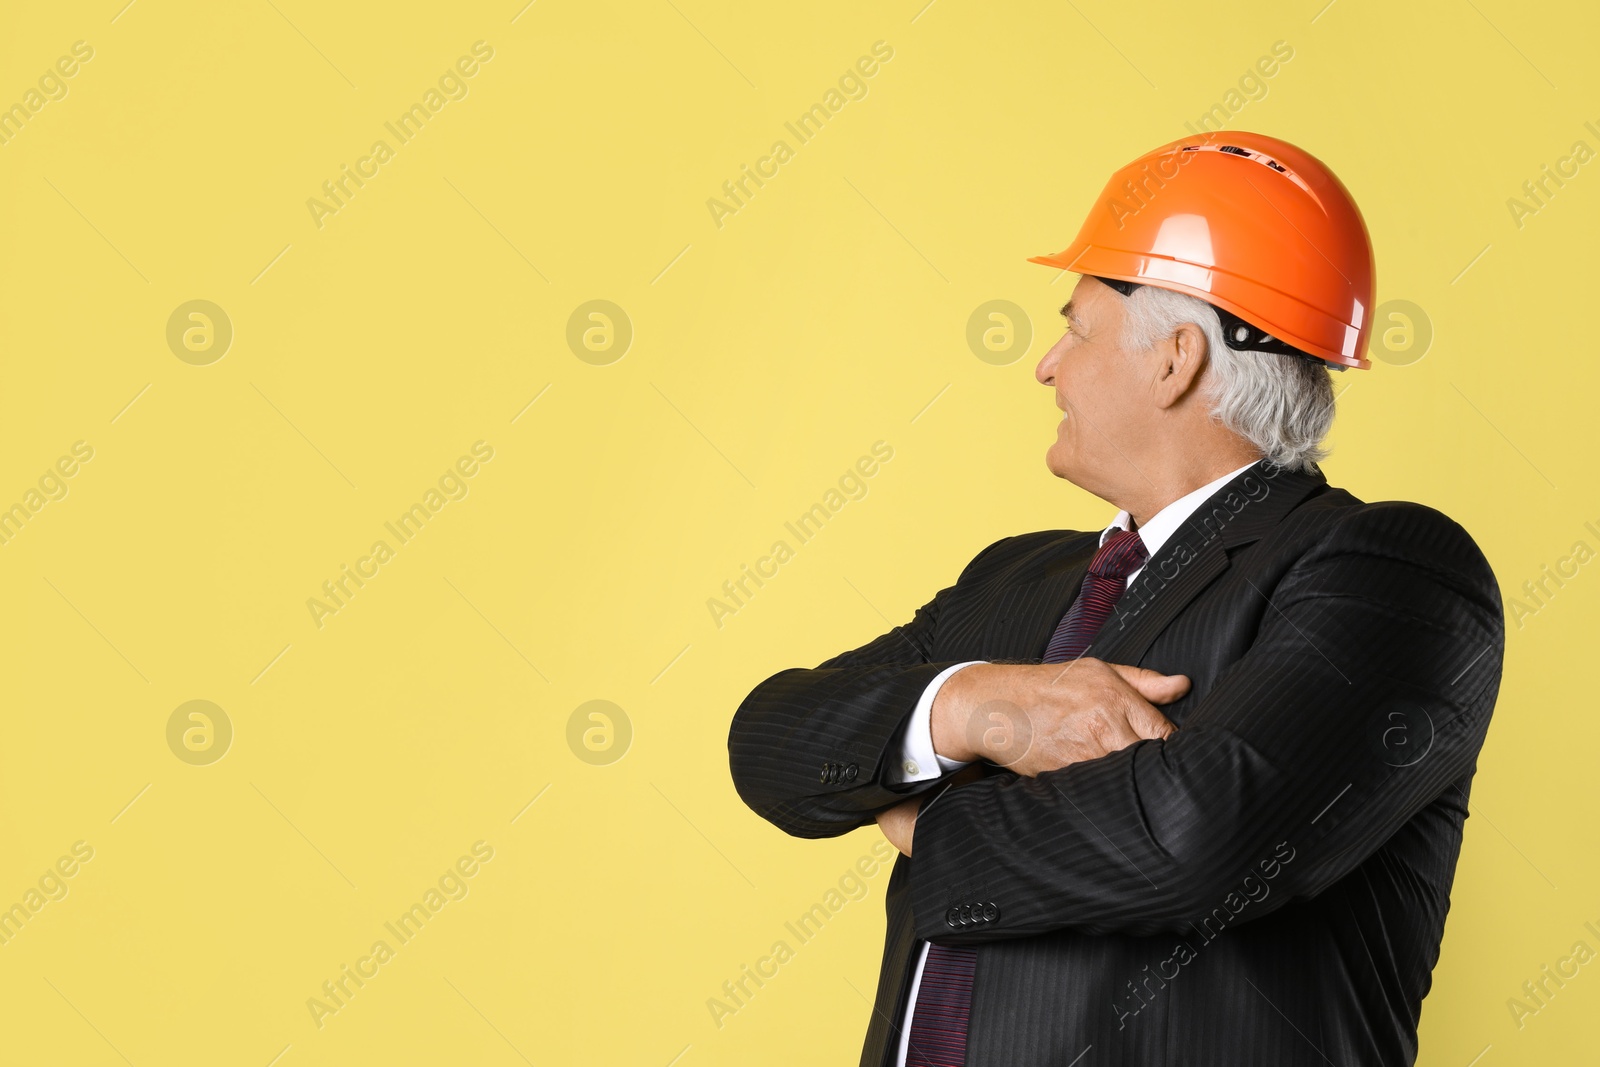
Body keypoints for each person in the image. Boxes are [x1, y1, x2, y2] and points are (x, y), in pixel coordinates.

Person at [726, 132, 1505, 1066]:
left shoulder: (1390, 570)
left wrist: (927, 818)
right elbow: (770, 740)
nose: (1046, 366)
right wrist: (973, 705)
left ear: (1176, 359)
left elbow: (1201, 840)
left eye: (1077, 329)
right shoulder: (1013, 580)